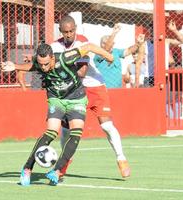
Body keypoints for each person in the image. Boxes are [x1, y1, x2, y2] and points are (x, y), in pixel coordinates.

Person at [1, 43, 113, 186]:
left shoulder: (66, 57)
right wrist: (15, 66)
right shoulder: (40, 63)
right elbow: (32, 66)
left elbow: (90, 46)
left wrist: (109, 56)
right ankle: (27, 168)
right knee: (51, 133)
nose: (43, 68)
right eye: (41, 65)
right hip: (56, 99)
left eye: (46, 64)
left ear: (53, 58)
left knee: (76, 133)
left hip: (76, 98)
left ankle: (57, 171)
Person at [51, 15, 131, 179]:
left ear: (75, 29)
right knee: (66, 131)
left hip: (94, 87)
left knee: (106, 126)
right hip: (73, 90)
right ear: (60, 31)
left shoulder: (82, 43)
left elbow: (82, 72)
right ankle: (63, 165)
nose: (68, 34)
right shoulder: (55, 47)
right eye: (65, 32)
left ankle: (121, 158)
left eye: (71, 31)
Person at [94, 24, 142, 88]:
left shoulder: (116, 51)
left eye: (109, 42)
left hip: (118, 89)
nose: (107, 45)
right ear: (100, 45)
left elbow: (129, 51)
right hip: (105, 90)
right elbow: (106, 49)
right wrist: (114, 33)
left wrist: (138, 43)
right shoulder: (98, 54)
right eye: (104, 43)